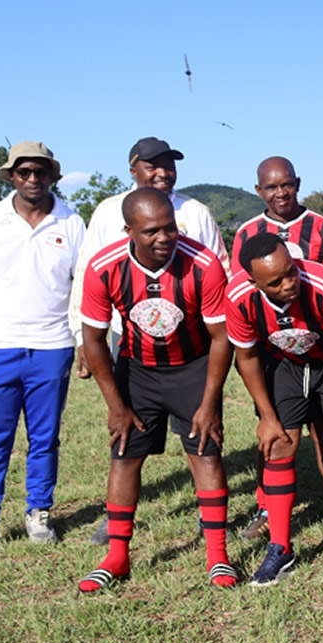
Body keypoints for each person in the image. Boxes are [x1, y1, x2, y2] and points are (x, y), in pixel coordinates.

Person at [69, 136, 230, 546]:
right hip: (136, 362)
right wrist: (116, 405)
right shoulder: (105, 261)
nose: (164, 237)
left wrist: (211, 400)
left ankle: (215, 546)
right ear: (128, 230)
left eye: (170, 228)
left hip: (192, 361)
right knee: (124, 451)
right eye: (151, 231)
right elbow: (94, 335)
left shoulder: (202, 253)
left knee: (205, 449)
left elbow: (220, 333)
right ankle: (116, 547)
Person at [0, 142, 85, 561]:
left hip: (53, 345)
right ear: (11, 176)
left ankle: (38, 513)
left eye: (40, 171)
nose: (32, 178)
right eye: (24, 171)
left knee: (44, 438)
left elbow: (82, 288)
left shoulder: (72, 221)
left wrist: (83, 343)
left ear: (53, 176)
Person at [226, 234, 323, 585]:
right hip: (286, 365)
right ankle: (280, 548)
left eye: (290, 272)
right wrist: (267, 417)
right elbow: (245, 358)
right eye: (275, 282)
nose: (289, 283)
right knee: (277, 445)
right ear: (253, 282)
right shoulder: (238, 297)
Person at [230, 156, 323, 542]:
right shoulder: (247, 232)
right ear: (259, 191)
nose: (280, 193)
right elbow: (246, 299)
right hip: (277, 353)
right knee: (273, 433)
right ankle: (267, 506)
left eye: (286, 184)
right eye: (271, 187)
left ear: (297, 183)